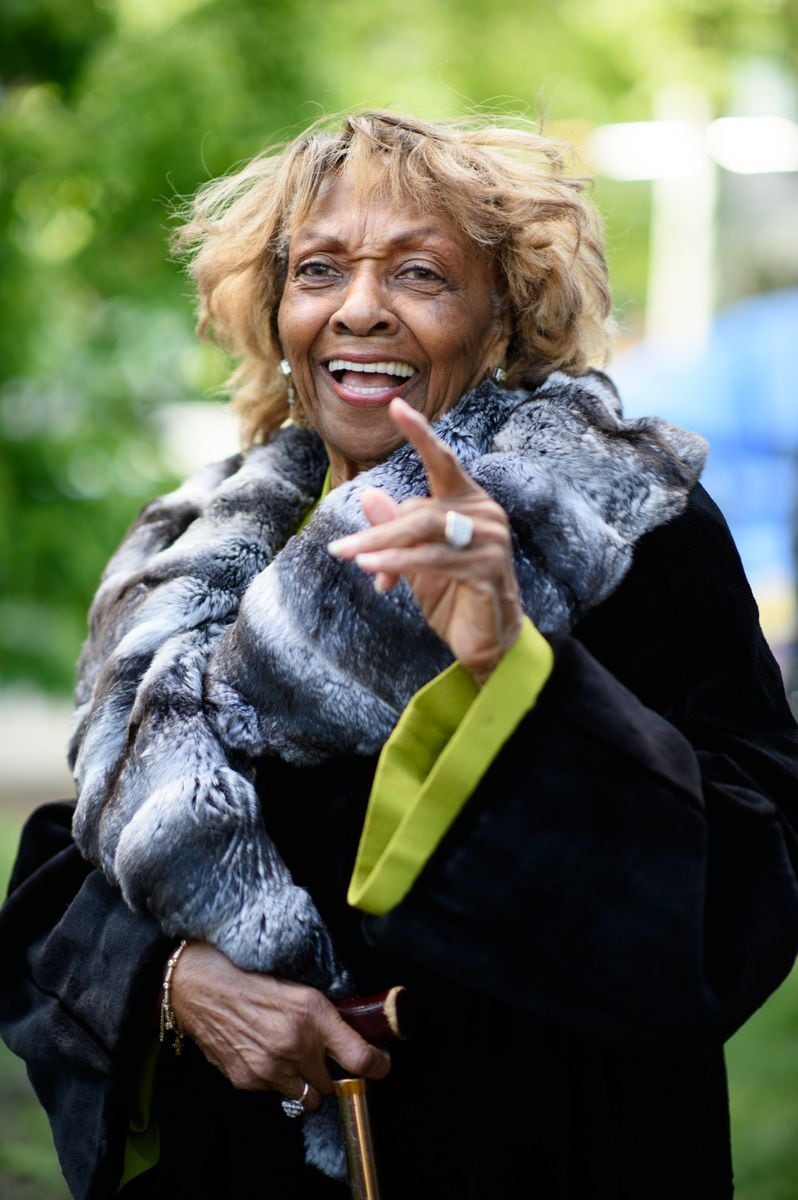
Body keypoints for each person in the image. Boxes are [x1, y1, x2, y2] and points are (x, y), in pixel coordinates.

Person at [3, 109, 798, 1200]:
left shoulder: (617, 521)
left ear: (502, 314)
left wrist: (512, 670)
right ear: (278, 308)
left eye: (421, 274)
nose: (360, 308)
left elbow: (751, 889)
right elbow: (71, 859)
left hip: (525, 1155)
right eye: (320, 268)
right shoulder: (182, 552)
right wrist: (172, 980)